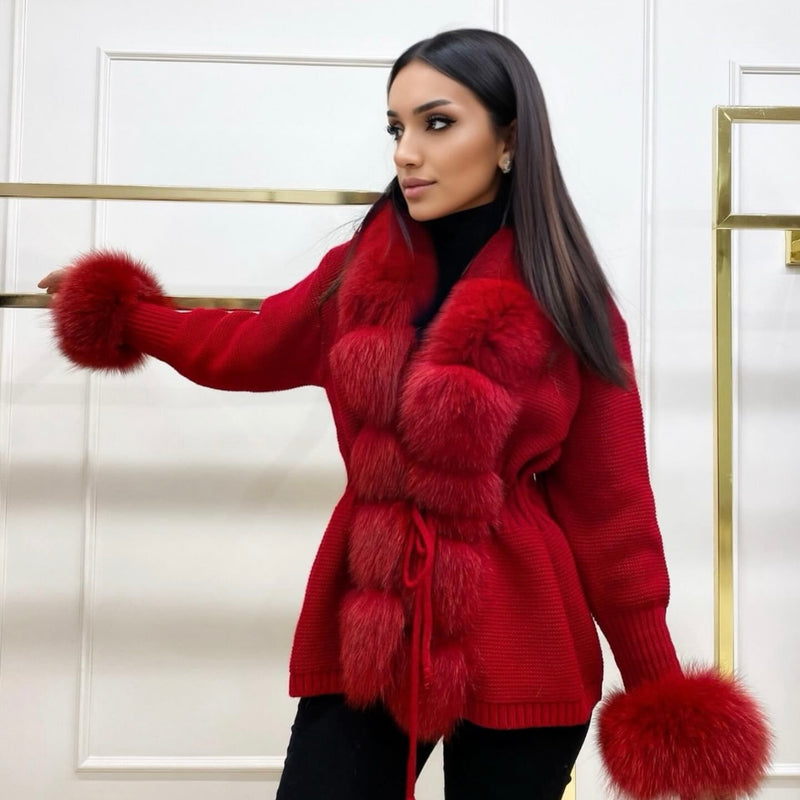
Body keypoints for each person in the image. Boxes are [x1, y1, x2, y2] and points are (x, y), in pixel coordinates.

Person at [39, 28, 769, 800]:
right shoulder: (358, 274)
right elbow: (245, 346)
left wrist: (658, 692)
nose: (406, 152)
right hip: (371, 623)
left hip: (525, 637)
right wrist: (123, 313)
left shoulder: (569, 303)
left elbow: (612, 511)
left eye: (437, 122)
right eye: (396, 128)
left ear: (510, 139)